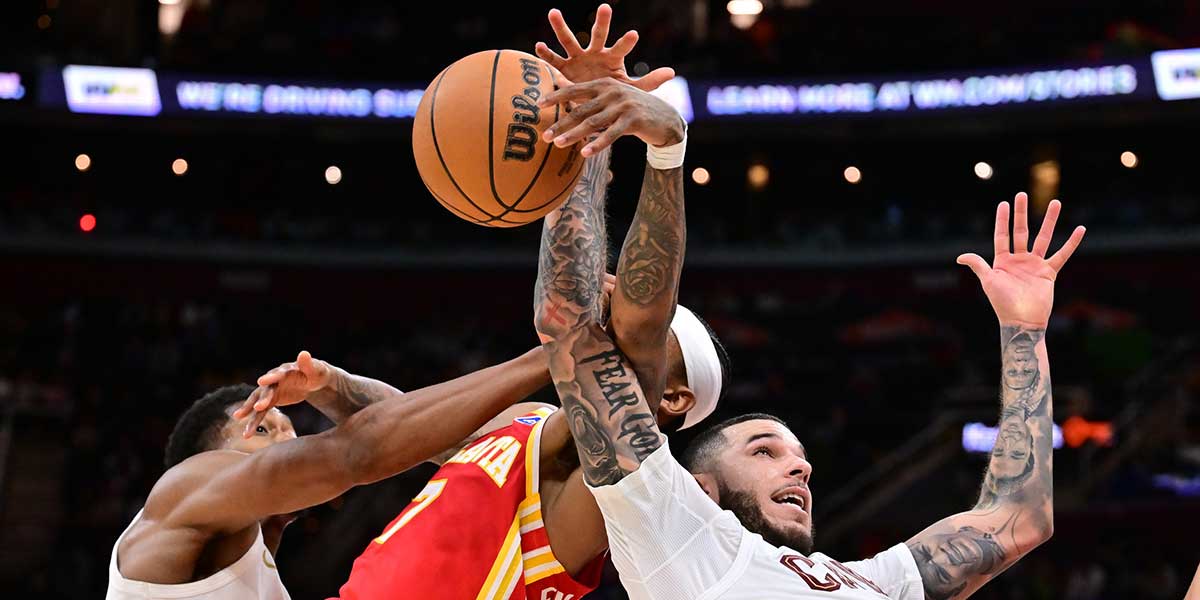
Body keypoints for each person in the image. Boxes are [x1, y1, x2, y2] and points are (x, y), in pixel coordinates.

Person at [536, 191, 1086, 599]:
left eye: (801, 460)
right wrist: (582, 144)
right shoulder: (683, 539)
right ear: (701, 490)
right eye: (763, 451)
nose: (801, 470)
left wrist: (1023, 332)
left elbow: (1020, 518)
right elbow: (572, 331)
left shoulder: (871, 580)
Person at [106, 347, 553, 599]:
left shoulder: (257, 577)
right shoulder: (186, 488)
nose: (289, 444)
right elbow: (357, 451)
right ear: (207, 460)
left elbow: (467, 442)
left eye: (291, 430)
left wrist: (334, 386)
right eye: (263, 429)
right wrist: (548, 356)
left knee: (536, 430)